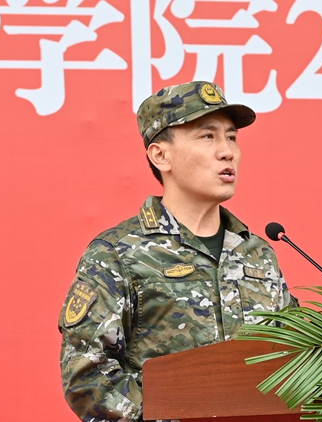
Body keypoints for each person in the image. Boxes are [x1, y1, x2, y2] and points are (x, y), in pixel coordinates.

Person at [58, 81, 296, 421]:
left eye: (231, 137)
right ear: (161, 155)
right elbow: (88, 376)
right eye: (207, 136)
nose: (227, 151)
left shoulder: (257, 253)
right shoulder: (118, 253)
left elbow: (295, 357)